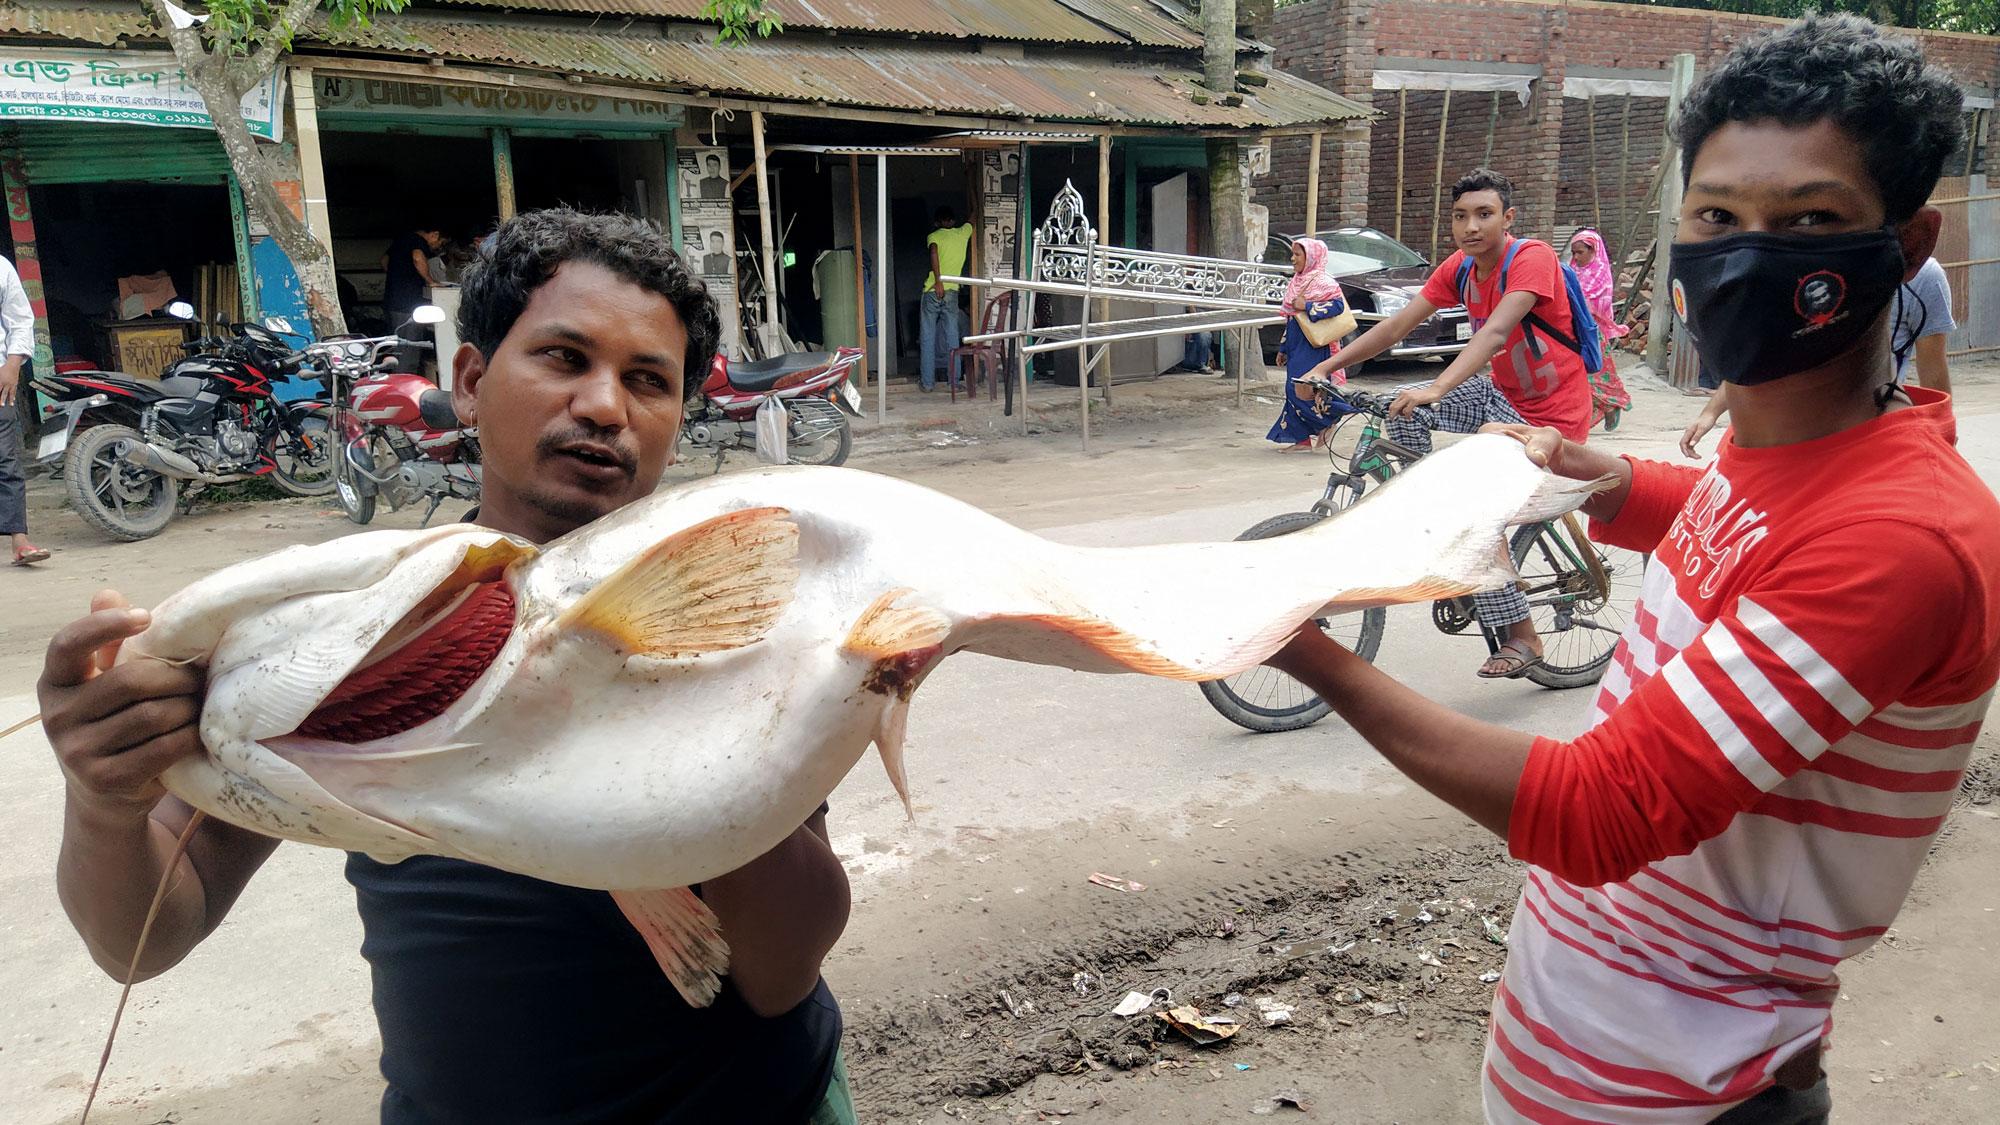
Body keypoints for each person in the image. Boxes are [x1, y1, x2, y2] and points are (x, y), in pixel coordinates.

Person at [1268, 17, 1996, 1122]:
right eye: (1716, 216)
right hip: (1594, 1060)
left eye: (1806, 219)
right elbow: (1742, 523)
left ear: (1902, 244)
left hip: (1689, 1097)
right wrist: (1596, 477)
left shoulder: (1899, 539)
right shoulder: (1791, 457)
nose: (1748, 250)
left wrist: (1295, 641)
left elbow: (1597, 813)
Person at [39, 210, 856, 1124]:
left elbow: (781, 974)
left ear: (674, 420)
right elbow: (145, 937)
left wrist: (706, 714)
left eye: (648, 381)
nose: (603, 406)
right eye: (563, 358)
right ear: (469, 380)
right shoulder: (352, 628)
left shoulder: (742, 619)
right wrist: (104, 801)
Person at [1305, 168, 1593, 680]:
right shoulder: (1459, 268)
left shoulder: (1532, 258)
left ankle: (1524, 635)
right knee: (1400, 405)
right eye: (1461, 217)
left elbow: (1498, 331)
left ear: (1508, 219)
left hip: (1550, 418)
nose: (1471, 226)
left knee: (1479, 517)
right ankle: (1440, 510)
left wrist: (1437, 385)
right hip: (1499, 397)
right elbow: (1396, 325)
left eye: (1484, 215)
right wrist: (1329, 366)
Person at [1682, 253, 1956, 457]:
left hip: (1868, 427)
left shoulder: (1923, 278)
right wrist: (1710, 413)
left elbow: (1932, 366)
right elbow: (1764, 354)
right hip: (1783, 429)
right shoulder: (1803, 269)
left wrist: (1941, 435)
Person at [1266, 238, 1352, 450]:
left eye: (1298, 254)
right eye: (1293, 254)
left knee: (1300, 388)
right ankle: (1301, 439)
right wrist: (1283, 348)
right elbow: (1291, 318)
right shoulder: (1298, 280)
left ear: (1312, 258)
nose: (1292, 258)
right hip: (1296, 344)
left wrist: (1308, 305)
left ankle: (1329, 420)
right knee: (1293, 389)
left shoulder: (1324, 282)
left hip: (1314, 347)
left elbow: (1338, 307)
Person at [1, 250, 48, 565]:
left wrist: (13, 366)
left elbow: (20, 320)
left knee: (5, 459)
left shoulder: (0, 267)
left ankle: (20, 540)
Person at [1566, 228, 1631, 430]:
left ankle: (1608, 406)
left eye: (1580, 252)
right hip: (1570, 330)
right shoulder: (1571, 271)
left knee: (1593, 373)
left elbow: (1592, 305)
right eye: (1574, 252)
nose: (1576, 257)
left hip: (1591, 333)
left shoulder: (1600, 274)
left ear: (1593, 251)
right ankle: (1599, 410)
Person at [919, 206, 974, 392]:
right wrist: (974, 196)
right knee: (952, 337)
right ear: (953, 221)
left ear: (937, 223)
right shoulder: (962, 233)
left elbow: (933, 252)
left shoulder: (934, 236)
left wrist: (938, 280)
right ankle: (954, 382)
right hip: (951, 292)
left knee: (928, 337)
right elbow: (973, 217)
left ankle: (927, 384)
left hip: (932, 289)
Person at [380, 224, 444, 327]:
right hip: (408, 303)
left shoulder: (402, 240)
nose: (439, 247)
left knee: (395, 337)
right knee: (410, 340)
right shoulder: (418, 242)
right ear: (435, 235)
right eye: (441, 243)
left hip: (391, 300)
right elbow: (417, 258)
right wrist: (430, 281)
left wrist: (397, 276)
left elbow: (384, 260)